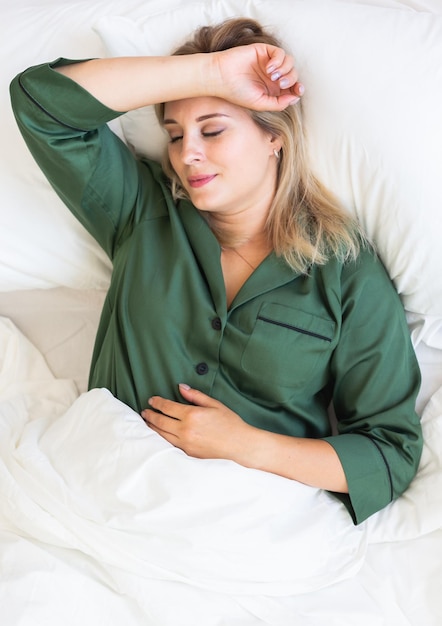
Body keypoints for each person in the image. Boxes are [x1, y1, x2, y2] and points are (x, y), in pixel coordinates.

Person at [10, 18, 422, 524]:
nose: (188, 155)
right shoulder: (141, 213)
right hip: (99, 493)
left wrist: (246, 445)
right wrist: (209, 74)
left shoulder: (345, 271)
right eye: (175, 134)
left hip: (250, 522)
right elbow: (41, 103)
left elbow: (389, 454)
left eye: (213, 130)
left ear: (275, 138)